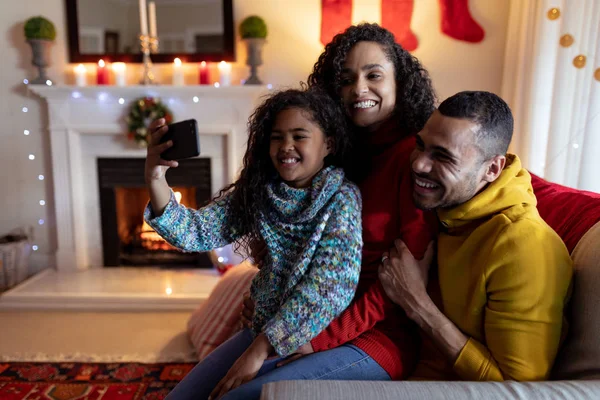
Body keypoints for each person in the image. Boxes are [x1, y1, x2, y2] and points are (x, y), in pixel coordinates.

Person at [225, 23, 437, 398]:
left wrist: (313, 339)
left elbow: (400, 282)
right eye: (345, 79)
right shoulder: (333, 156)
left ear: (400, 83)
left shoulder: (412, 160)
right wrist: (267, 299)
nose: (358, 89)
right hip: (299, 320)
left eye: (374, 75)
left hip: (373, 337)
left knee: (239, 395)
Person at [144, 88, 363, 399]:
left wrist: (259, 350)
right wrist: (154, 176)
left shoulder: (342, 199)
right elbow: (194, 232)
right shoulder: (261, 191)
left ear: (328, 143)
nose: (286, 146)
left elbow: (328, 288)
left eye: (299, 136)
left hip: (305, 339)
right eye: (277, 137)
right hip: (259, 330)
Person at [379, 90, 573, 381]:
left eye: (443, 157)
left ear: (493, 169)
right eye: (421, 146)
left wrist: (416, 303)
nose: (418, 164)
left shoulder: (523, 245)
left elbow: (519, 389)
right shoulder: (444, 206)